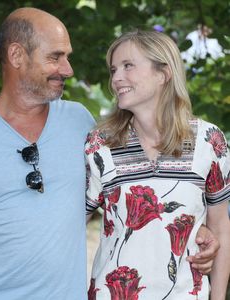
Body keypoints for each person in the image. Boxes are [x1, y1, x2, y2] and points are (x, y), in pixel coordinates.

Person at [0, 8, 220, 300]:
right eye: (55, 57)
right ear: (17, 56)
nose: (68, 69)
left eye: (67, 57)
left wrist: (198, 225)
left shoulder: (81, 124)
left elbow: (128, 191)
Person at [85, 30, 230, 299]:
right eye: (114, 69)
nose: (116, 78)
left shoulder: (209, 141)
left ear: (163, 74)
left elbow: (221, 226)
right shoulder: (99, 144)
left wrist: (218, 297)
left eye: (128, 65)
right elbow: (70, 224)